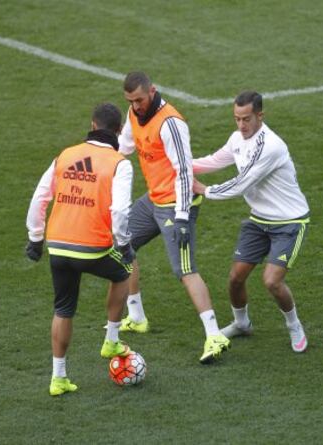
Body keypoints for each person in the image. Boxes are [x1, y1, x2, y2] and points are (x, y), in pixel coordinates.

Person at [115, 71, 230, 364]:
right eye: (131, 101)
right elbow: (124, 147)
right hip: (154, 199)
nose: (136, 105)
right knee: (121, 243)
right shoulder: (133, 113)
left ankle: (214, 335)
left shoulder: (171, 123)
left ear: (152, 91)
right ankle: (137, 315)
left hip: (178, 204)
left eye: (139, 99)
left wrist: (181, 217)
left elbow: (184, 170)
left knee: (185, 269)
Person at [26, 103, 136, 396]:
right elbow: (121, 210)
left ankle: (58, 378)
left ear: (91, 124)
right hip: (93, 248)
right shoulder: (119, 163)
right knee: (126, 270)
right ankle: (112, 338)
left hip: (58, 247)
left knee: (63, 309)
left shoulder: (65, 155)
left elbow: (40, 197)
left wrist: (36, 238)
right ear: (117, 130)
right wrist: (123, 244)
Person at [193, 90, 310, 353]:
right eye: (237, 119)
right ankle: (241, 323)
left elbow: (241, 182)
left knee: (272, 281)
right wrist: (182, 165)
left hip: (289, 223)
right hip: (259, 220)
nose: (241, 125)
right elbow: (215, 160)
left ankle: (294, 325)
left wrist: (204, 190)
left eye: (246, 119)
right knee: (235, 278)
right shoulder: (237, 138)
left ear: (260, 115)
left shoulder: (271, 146)